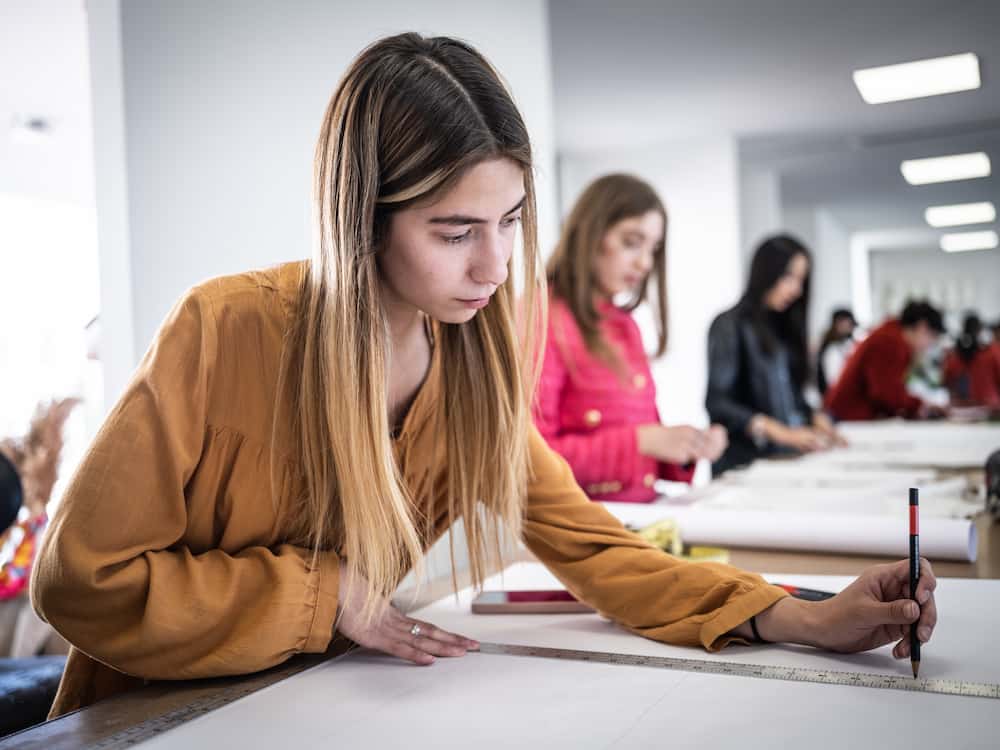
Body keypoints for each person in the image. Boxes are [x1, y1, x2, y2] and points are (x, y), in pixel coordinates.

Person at [31, 33, 937, 718]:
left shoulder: (473, 353)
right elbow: (79, 582)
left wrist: (800, 617)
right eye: (455, 231)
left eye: (509, 220)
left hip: (317, 715)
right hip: (150, 718)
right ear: (361, 220)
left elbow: (593, 548)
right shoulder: (225, 329)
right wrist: (326, 594)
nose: (495, 266)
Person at [535, 174, 726, 502]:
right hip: (578, 531)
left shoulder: (625, 326)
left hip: (639, 517)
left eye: (653, 248)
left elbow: (645, 450)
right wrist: (642, 441)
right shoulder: (540, 318)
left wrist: (686, 446)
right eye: (631, 242)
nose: (645, 262)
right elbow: (531, 462)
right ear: (591, 233)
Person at [706, 235, 843, 475]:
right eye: (789, 277)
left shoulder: (782, 328)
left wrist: (814, 418)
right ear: (767, 273)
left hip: (786, 461)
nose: (796, 290)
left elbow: (791, 397)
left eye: (801, 280)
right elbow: (717, 403)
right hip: (745, 464)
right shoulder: (729, 325)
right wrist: (775, 430)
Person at [825, 300, 946, 421]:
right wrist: (921, 406)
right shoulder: (889, 341)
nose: (929, 345)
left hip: (848, 416)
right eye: (932, 337)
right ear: (922, 327)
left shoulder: (892, 336)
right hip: (845, 418)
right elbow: (885, 393)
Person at [942, 313, 1000, 408]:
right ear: (980, 329)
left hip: (959, 408)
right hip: (990, 407)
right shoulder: (992, 352)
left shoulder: (952, 355)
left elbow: (946, 382)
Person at [816, 308, 857, 396]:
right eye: (844, 323)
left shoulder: (850, 344)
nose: (848, 327)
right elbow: (833, 381)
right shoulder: (832, 349)